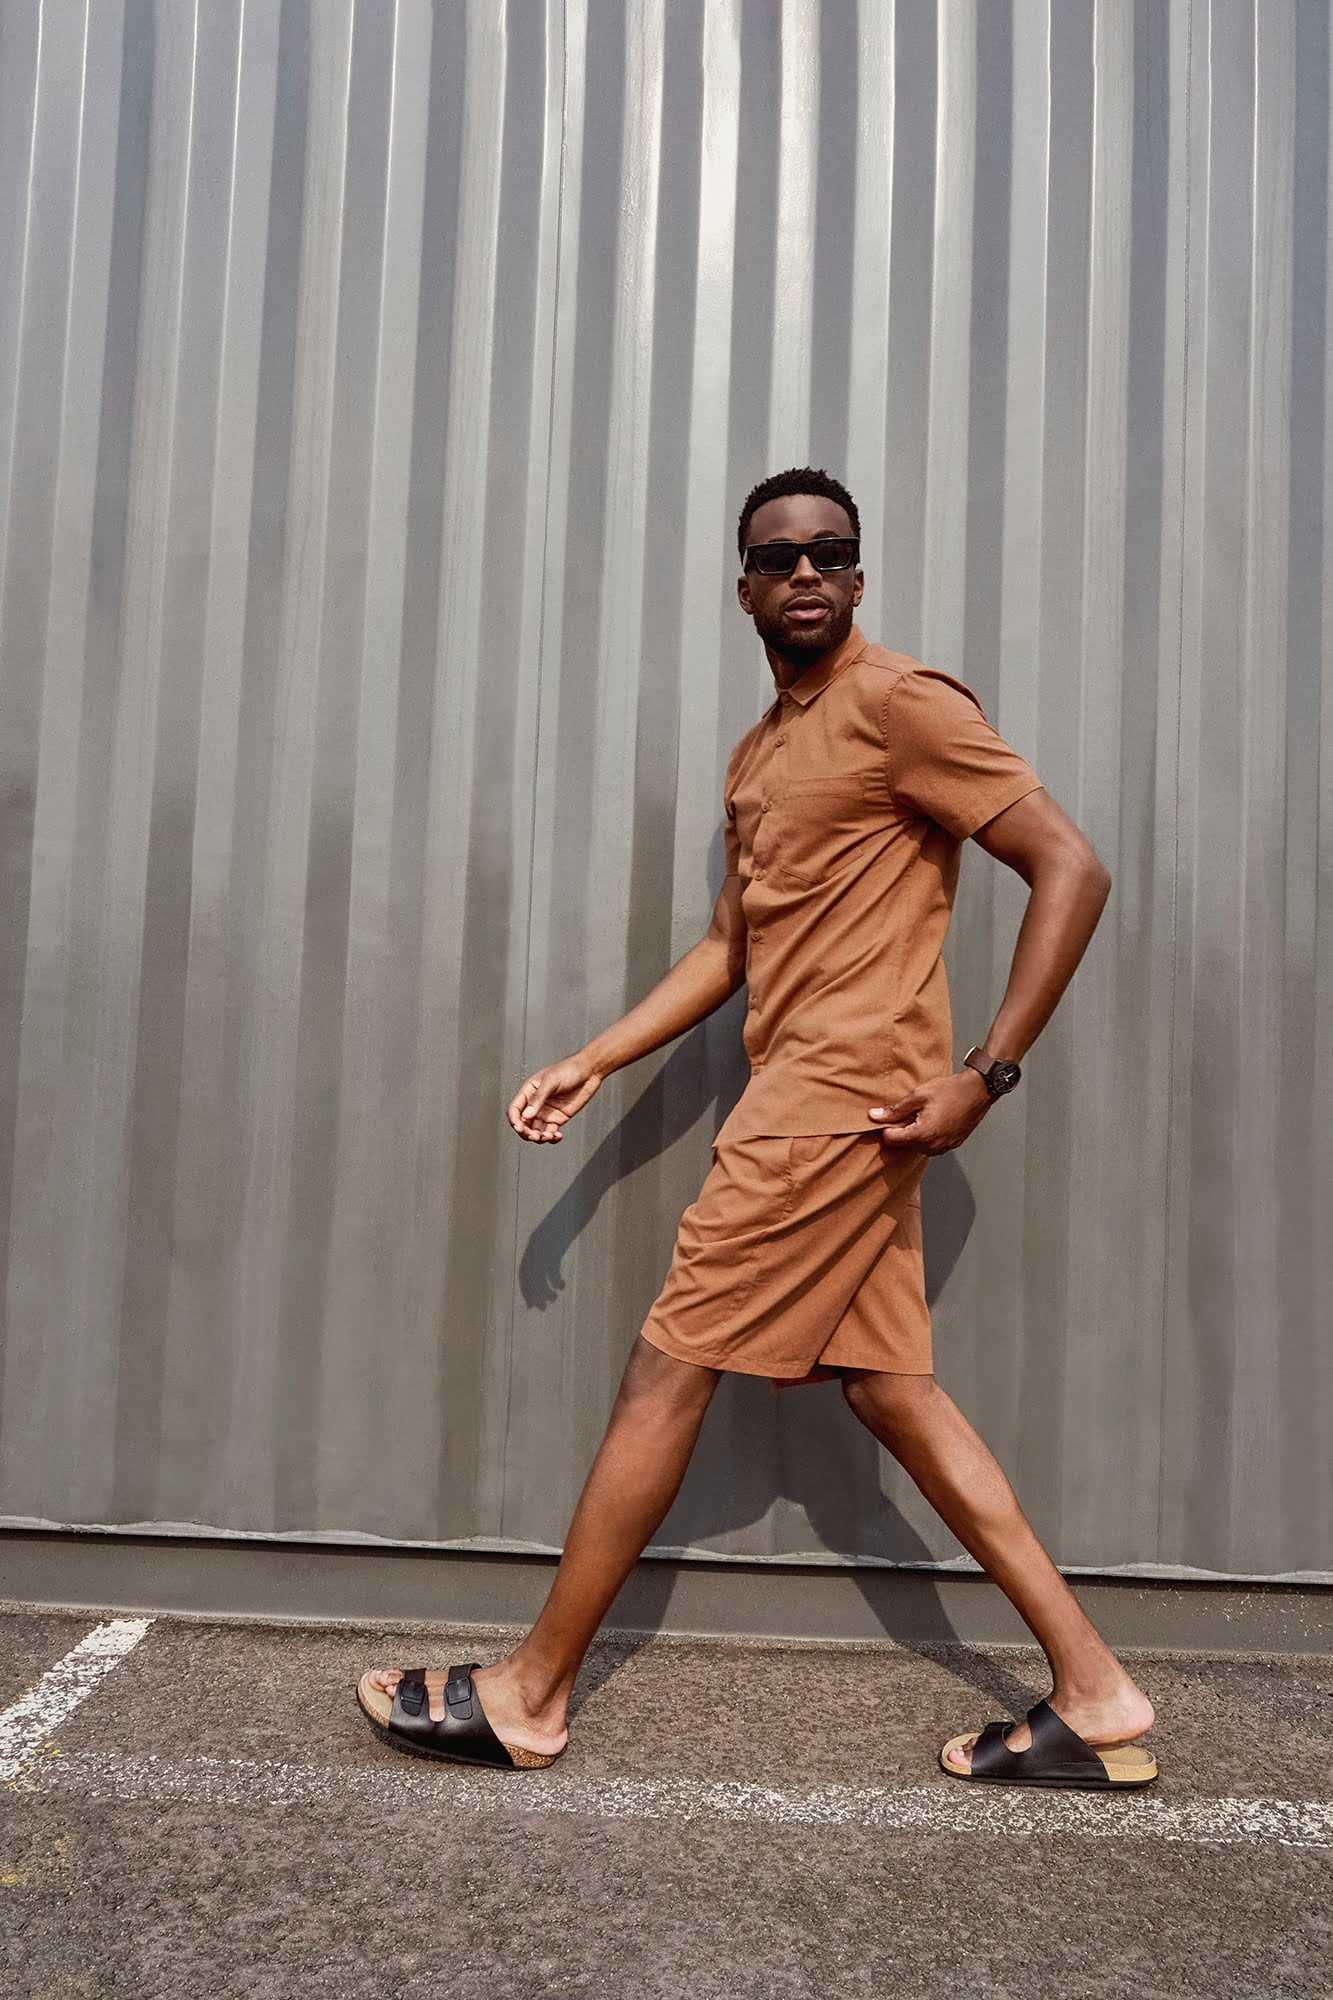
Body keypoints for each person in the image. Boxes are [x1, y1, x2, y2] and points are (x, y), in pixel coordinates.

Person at [356, 466, 1158, 1791]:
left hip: (833, 1107)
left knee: (663, 1373)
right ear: (743, 589)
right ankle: (1096, 1687)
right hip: (819, 1099)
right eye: (778, 557)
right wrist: (595, 1058)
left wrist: (987, 1072)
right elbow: (732, 945)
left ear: (858, 576)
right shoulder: (762, 750)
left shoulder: (904, 704)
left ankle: (531, 1694)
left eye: (828, 554)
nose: (804, 574)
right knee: (890, 1390)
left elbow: (1070, 866)